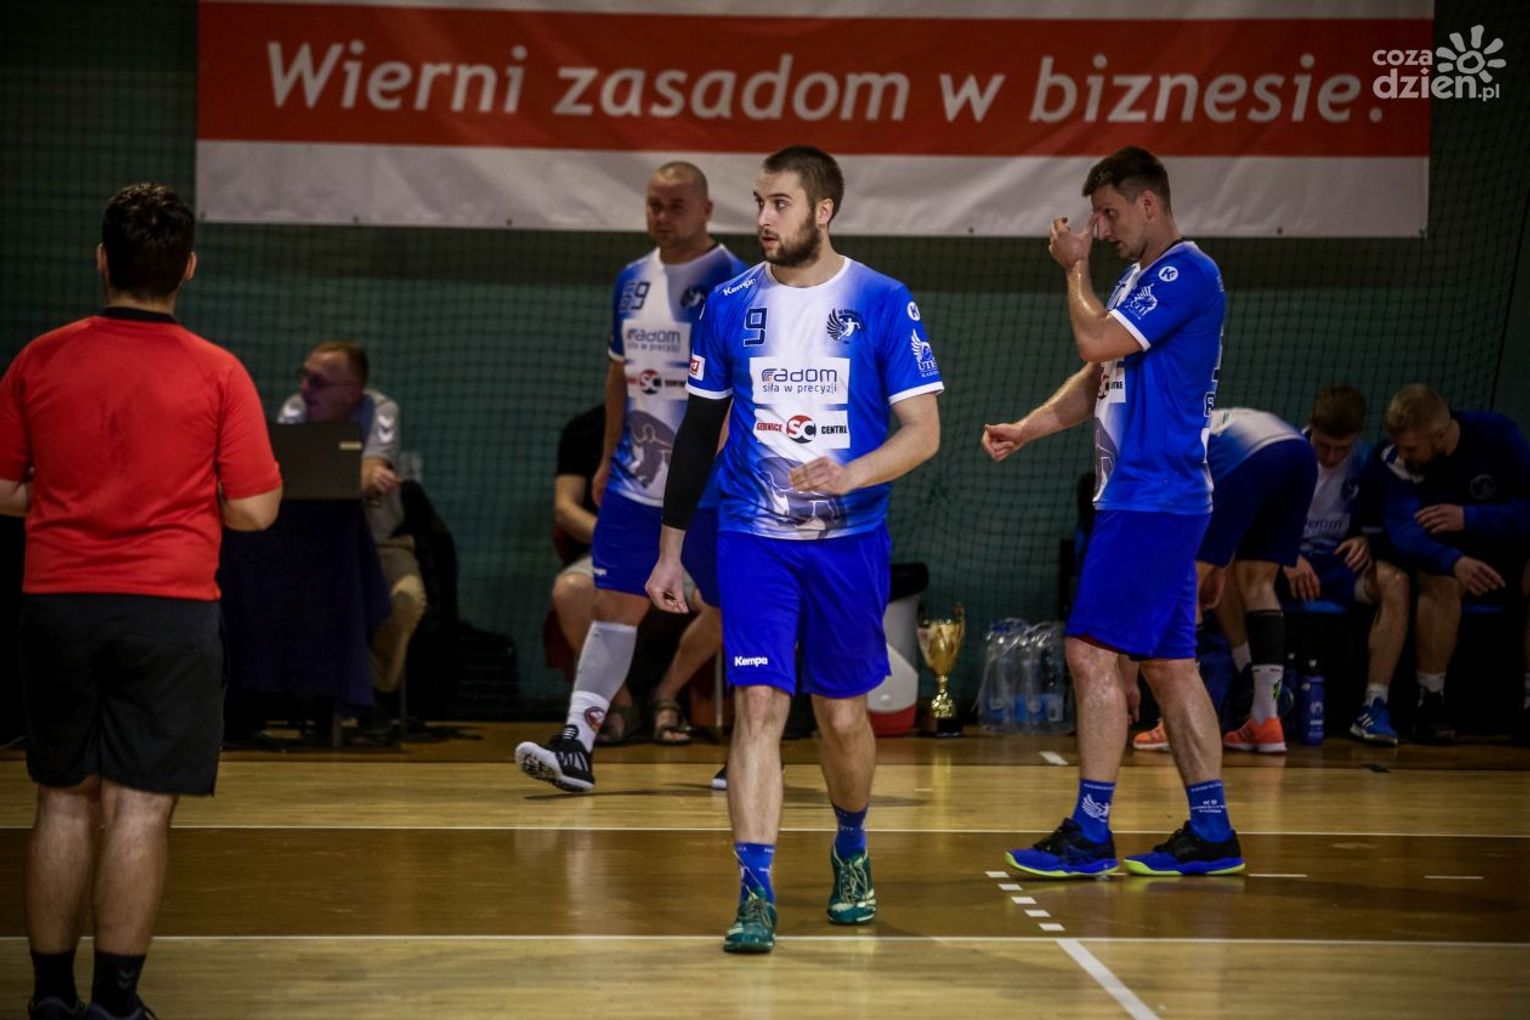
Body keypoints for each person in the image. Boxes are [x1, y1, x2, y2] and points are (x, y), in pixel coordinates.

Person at [649, 145, 944, 953]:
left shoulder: (882, 301)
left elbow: (923, 433)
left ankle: (851, 847)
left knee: (842, 717)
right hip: (754, 535)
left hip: (850, 540)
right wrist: (670, 551)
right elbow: (698, 433)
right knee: (759, 706)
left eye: (780, 203)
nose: (763, 218)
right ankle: (755, 889)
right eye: (758, 202)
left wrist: (850, 474)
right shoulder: (729, 303)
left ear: (824, 210)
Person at [0, 183, 282, 1020]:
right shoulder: (218, 371)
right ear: (187, 268)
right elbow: (256, 510)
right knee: (140, 807)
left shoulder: (39, 359)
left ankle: (50, 997)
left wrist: (68, 500)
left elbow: (4, 489)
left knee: (61, 800)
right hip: (169, 610)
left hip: (58, 604)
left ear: (102, 261)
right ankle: (117, 1004)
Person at [983, 146, 1243, 879]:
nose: (1100, 229)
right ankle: (1212, 831)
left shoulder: (1186, 272)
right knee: (1171, 667)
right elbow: (1099, 372)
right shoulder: (1137, 280)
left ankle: (1091, 832)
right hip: (1151, 500)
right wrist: (1028, 428)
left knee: (1090, 653)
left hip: (1152, 498)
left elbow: (1094, 337)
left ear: (1149, 203)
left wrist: (1074, 270)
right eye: (1096, 218)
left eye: (1110, 213)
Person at [516, 162, 746, 787]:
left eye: (676, 206)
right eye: (654, 205)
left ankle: (752, 750)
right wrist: (606, 456)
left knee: (740, 608)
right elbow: (620, 375)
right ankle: (577, 744)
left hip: (713, 489)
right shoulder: (630, 279)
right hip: (636, 482)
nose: (662, 217)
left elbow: (750, 385)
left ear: (707, 210)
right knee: (614, 603)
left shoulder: (734, 281)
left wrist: (728, 465)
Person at [1132, 406, 1317, 755]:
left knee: (1183, 587)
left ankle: (1178, 723)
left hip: (1247, 461)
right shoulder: (1209, 424)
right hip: (1299, 454)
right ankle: (1266, 720)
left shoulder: (1158, 450)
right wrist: (1218, 567)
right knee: (1258, 582)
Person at [548, 403, 721, 745]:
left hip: (684, 547)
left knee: (736, 604)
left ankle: (665, 695)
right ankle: (620, 705)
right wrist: (617, 540)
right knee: (570, 591)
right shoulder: (586, 428)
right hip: (615, 542)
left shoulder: (708, 414)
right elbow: (564, 508)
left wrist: (669, 545)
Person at [277, 341, 426, 710]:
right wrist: (356, 476)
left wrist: (354, 474)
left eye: (318, 382)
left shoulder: (382, 410)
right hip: (307, 549)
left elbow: (374, 468)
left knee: (405, 600)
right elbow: (283, 475)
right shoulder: (295, 409)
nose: (305, 389)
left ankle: (367, 689)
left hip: (380, 544)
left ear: (352, 392)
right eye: (304, 377)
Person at [1378, 384, 1530, 744]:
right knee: (1440, 581)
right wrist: (1454, 561)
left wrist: (1469, 518)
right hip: (1446, 560)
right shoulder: (1394, 460)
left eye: (1411, 448)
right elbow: (1403, 531)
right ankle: (1430, 700)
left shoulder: (1497, 435)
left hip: (1506, 552)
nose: (1402, 454)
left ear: (1440, 436)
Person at [1286, 385, 1409, 745]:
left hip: (1336, 565)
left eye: (1341, 448)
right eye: (1323, 445)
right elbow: (1255, 525)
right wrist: (1285, 554)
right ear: (1311, 426)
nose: (1331, 455)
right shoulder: (1287, 454)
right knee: (1245, 571)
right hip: (1286, 563)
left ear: (1357, 436)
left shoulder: (1370, 464)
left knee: (1395, 582)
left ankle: (1374, 705)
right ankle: (1253, 696)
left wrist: (1366, 540)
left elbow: (1384, 525)